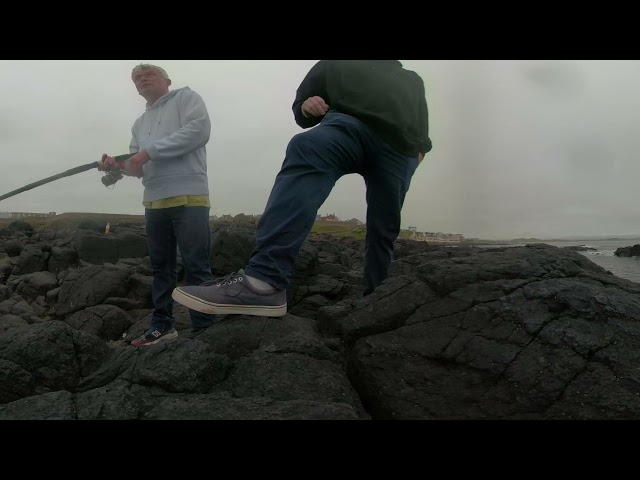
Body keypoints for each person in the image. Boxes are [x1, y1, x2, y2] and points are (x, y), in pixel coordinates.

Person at [171, 60, 432, 317]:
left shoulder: (410, 78)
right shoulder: (334, 64)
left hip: (398, 149)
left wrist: (419, 154)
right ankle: (264, 282)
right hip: (345, 127)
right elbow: (301, 109)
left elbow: (422, 124)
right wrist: (307, 107)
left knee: (384, 227)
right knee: (307, 145)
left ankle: (376, 297)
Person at [99, 63, 217, 346]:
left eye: (148, 75)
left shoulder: (187, 98)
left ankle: (205, 327)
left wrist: (148, 152)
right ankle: (162, 325)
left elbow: (199, 131)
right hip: (154, 201)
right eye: (136, 79)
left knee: (196, 265)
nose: (141, 80)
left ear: (167, 81)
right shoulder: (139, 123)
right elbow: (136, 166)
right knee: (161, 267)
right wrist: (117, 166)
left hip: (190, 197)